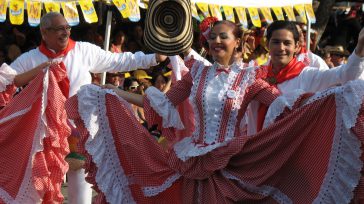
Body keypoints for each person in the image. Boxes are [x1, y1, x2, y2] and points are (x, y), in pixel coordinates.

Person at [66, 19, 364, 203]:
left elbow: (282, 106)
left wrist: (332, 100)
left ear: (238, 43)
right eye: (213, 37)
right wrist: (113, 92)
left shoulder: (250, 77)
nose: (217, 41)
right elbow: (161, 105)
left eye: (224, 36)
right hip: (192, 159)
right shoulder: (196, 71)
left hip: (233, 161)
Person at [0, 11, 166, 204]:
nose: (65, 33)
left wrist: (153, 58)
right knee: (40, 194)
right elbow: (7, 81)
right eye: (59, 29)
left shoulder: (83, 51)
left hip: (79, 131)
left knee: (81, 197)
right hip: (45, 138)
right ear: (44, 33)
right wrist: (38, 71)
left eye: (67, 28)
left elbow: (119, 61)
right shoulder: (31, 59)